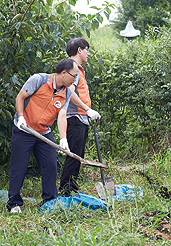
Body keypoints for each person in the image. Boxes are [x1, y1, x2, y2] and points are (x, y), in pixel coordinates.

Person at [8, 58, 101, 213]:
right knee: (19, 167)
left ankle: (50, 201)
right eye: (74, 76)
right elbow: (20, 97)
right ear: (63, 73)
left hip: (43, 132)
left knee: (51, 165)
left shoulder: (66, 92)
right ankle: (14, 203)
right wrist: (21, 117)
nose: (75, 79)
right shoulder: (39, 80)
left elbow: (62, 116)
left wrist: (63, 139)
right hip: (24, 130)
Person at [57, 38, 94, 196]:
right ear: (79, 50)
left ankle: (71, 186)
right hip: (74, 117)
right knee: (74, 155)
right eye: (87, 50)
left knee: (77, 154)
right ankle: (65, 189)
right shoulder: (73, 68)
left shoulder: (76, 68)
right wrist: (86, 109)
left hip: (80, 116)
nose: (88, 53)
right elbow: (69, 92)